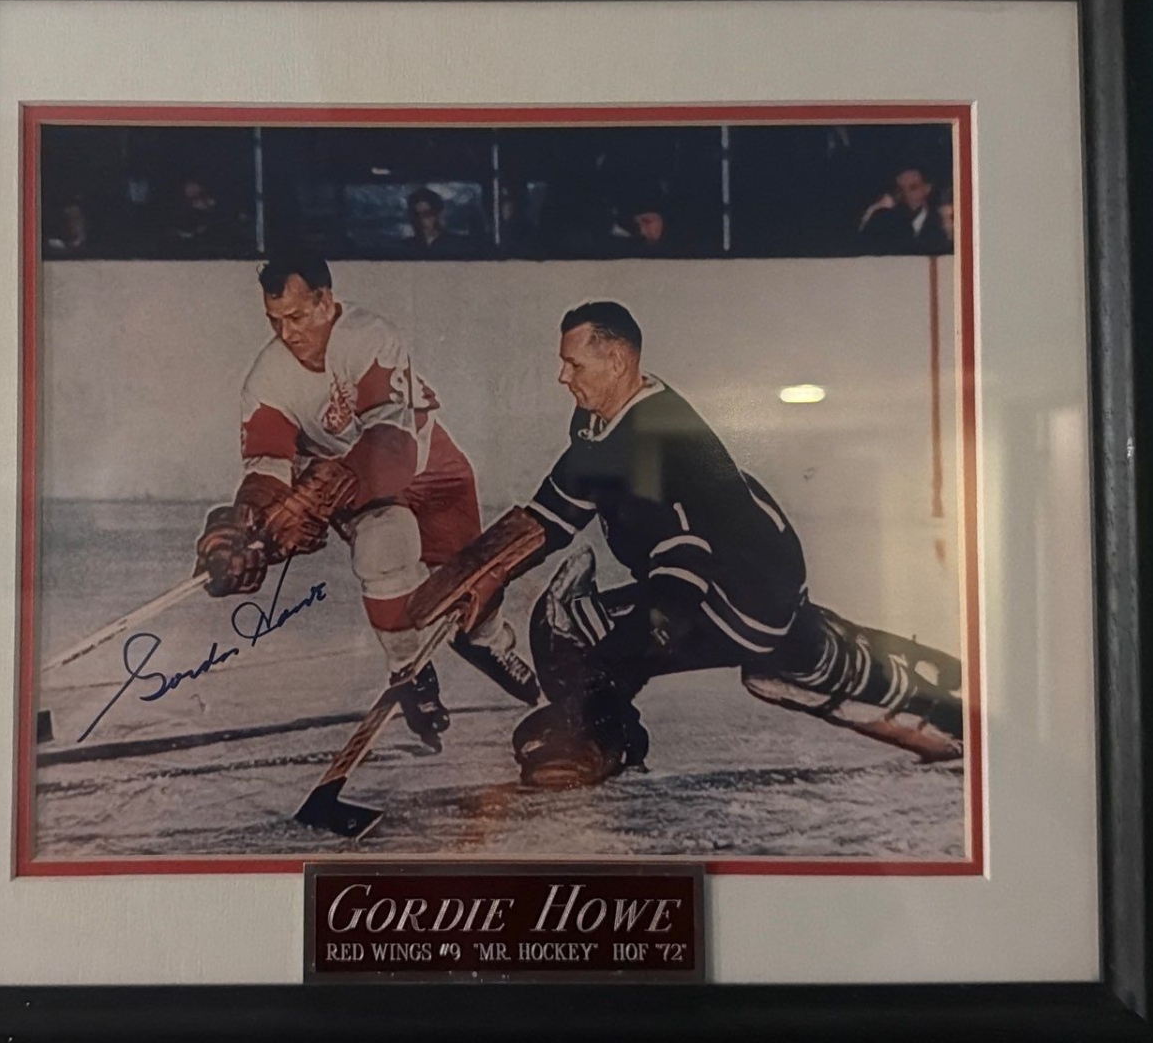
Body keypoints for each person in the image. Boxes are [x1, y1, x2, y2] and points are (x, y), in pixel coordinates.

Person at [407, 300, 965, 787]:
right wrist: (481, 574)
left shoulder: (654, 444)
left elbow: (678, 584)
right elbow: (555, 509)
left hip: (738, 597)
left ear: (617, 360)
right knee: (795, 660)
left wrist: (608, 679)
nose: (562, 376)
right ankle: (891, 675)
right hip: (745, 579)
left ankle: (598, 743)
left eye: (573, 364)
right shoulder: (608, 417)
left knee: (573, 629)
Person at [192, 253, 539, 745]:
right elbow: (267, 465)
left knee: (470, 581)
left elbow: (392, 444)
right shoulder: (266, 378)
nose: (286, 333)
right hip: (352, 485)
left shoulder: (368, 336)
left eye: (296, 317)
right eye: (274, 320)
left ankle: (488, 642)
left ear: (325, 301)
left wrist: (323, 491)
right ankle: (409, 670)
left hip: (426, 466)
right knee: (383, 548)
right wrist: (246, 523)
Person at [857, 165, 952, 253]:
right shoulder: (884, 221)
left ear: (927, 188)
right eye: (901, 189)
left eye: (913, 187)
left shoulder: (942, 222)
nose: (906, 194)